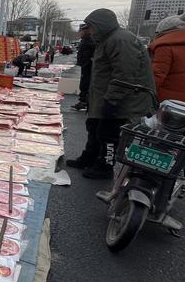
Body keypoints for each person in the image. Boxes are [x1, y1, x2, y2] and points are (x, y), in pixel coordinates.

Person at [66, 9, 155, 179]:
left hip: (122, 98)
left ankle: (105, 166)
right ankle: (89, 156)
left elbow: (125, 74)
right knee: (94, 126)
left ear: (100, 26)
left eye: (91, 27)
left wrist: (112, 99)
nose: (90, 31)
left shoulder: (120, 40)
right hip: (104, 95)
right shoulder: (106, 39)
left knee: (108, 132)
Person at [149, 12, 185, 179]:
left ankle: (159, 175)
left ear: (165, 32)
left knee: (163, 141)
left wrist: (145, 96)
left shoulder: (166, 46)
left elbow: (156, 77)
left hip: (172, 106)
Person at [71, 23, 95, 111]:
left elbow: (92, 52)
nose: (80, 33)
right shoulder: (85, 40)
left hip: (88, 65)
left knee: (85, 83)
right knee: (84, 83)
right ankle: (83, 101)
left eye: (81, 31)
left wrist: (88, 60)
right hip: (85, 65)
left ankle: (84, 102)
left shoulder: (90, 41)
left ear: (86, 31)